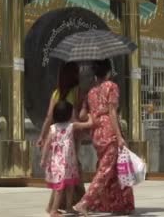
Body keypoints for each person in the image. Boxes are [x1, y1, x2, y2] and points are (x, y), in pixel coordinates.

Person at [74, 59, 135, 216]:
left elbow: (82, 115)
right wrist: (119, 136)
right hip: (109, 130)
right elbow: (112, 113)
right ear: (108, 72)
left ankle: (118, 204)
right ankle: (85, 202)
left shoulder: (91, 92)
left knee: (113, 168)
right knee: (106, 169)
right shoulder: (112, 87)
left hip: (97, 133)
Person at [36, 62, 86, 212]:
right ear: (74, 75)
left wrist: (42, 136)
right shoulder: (76, 91)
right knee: (71, 172)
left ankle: (56, 205)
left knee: (64, 174)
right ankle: (70, 204)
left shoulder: (56, 92)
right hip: (71, 138)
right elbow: (73, 118)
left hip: (57, 139)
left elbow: (49, 116)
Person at [40, 100, 92, 217]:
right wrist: (89, 115)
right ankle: (54, 210)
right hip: (59, 163)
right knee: (60, 187)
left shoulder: (55, 128)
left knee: (70, 184)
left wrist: (43, 159)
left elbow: (46, 145)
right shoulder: (70, 126)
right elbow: (89, 124)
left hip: (69, 163)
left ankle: (69, 207)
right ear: (69, 115)